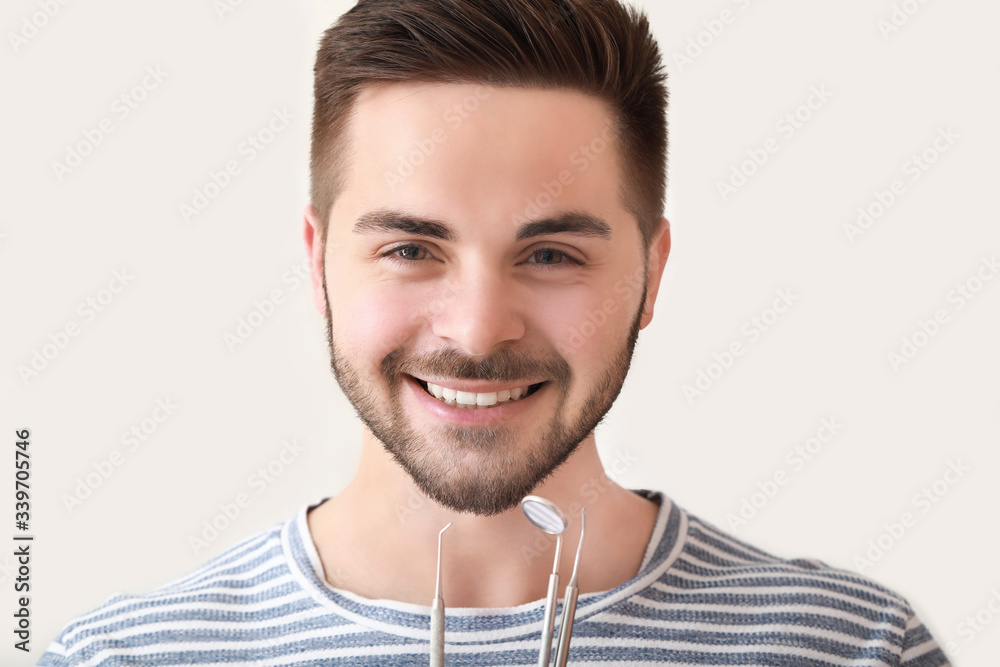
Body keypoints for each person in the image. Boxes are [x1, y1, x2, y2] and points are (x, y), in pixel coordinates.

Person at [40, 0, 950, 664]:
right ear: (318, 261)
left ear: (652, 272)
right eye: (409, 248)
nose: (477, 329)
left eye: (552, 255)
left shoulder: (852, 646)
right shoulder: (120, 656)